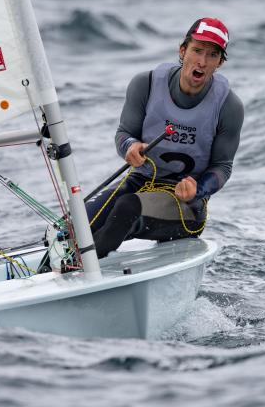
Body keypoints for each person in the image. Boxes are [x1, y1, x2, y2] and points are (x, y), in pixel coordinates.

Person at [85, 17, 244, 258]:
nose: (202, 61)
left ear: (220, 62)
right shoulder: (145, 85)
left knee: (127, 208)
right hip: (140, 182)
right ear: (183, 51)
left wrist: (197, 189)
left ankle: (81, 274)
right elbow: (124, 135)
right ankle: (47, 271)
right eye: (197, 50)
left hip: (186, 206)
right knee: (75, 224)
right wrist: (130, 147)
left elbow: (223, 167)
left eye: (212, 55)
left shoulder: (228, 106)